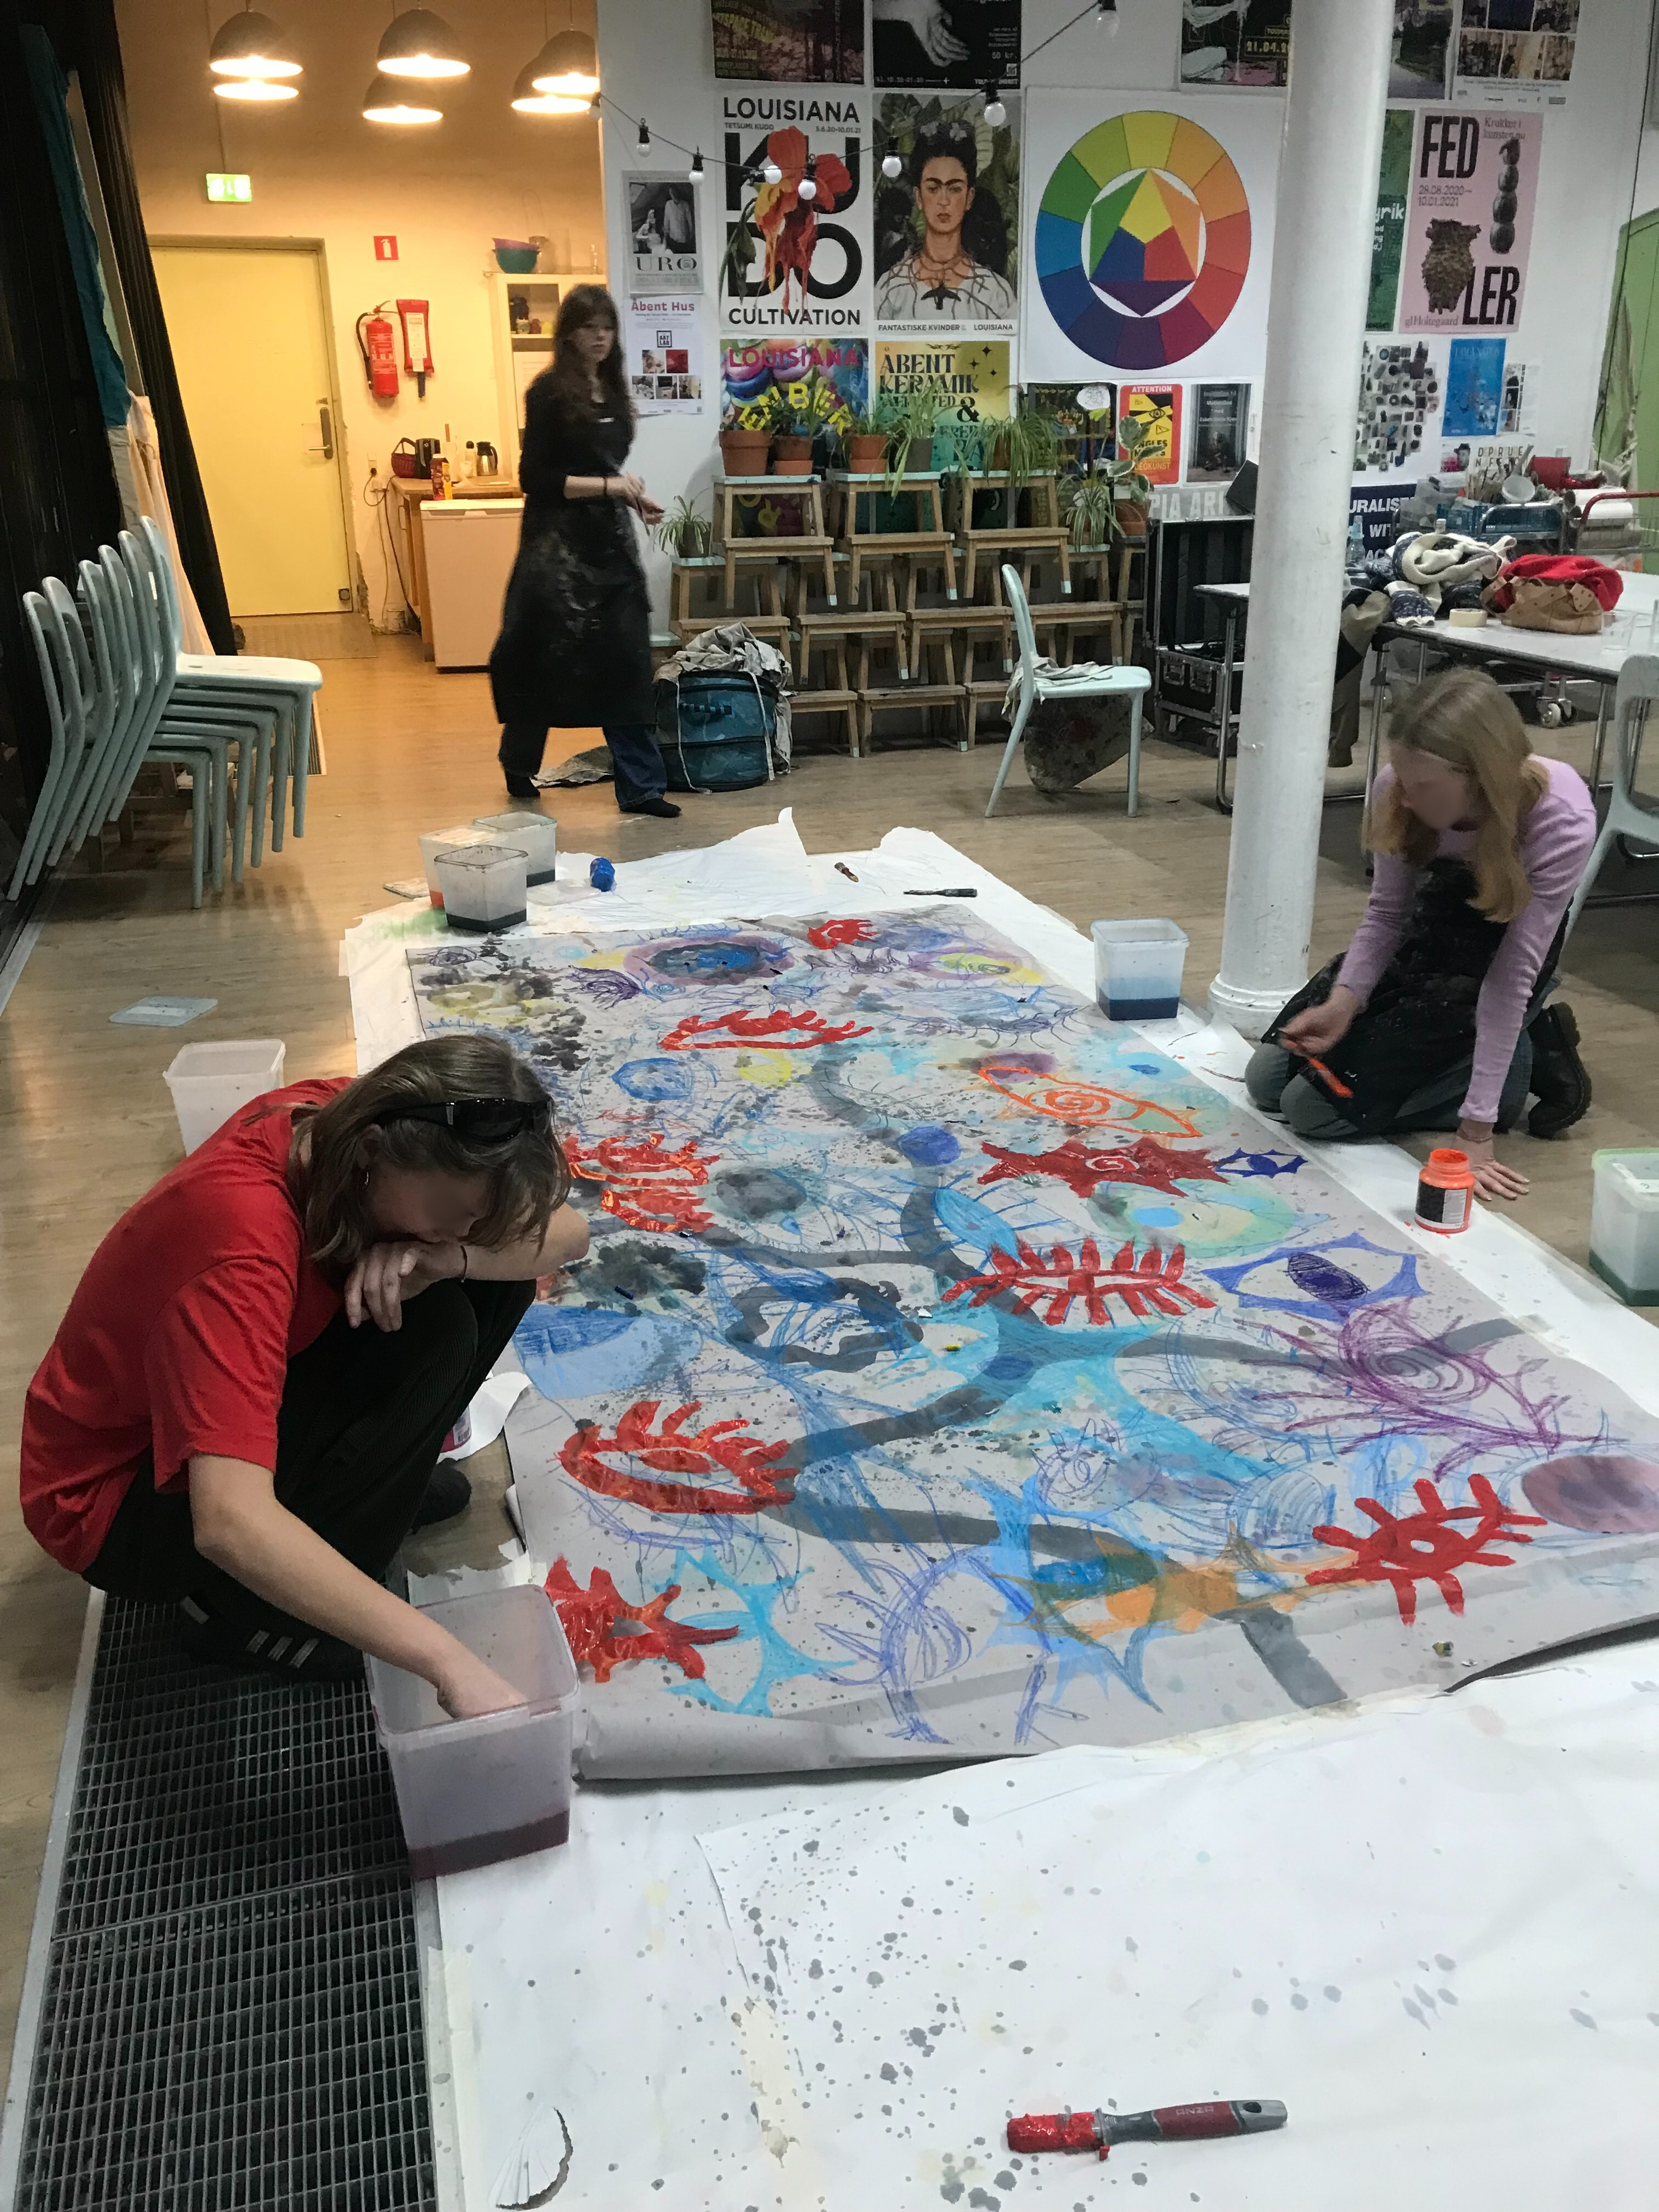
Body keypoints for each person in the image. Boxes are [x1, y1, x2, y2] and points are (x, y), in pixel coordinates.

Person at [21, 1037, 590, 1711]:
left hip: (200, 1411)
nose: (455, 1233)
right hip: (115, 1505)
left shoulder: (357, 1123)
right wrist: (446, 1661)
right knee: (438, 1331)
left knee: (490, 1279)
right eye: (449, 1215)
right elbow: (228, 1522)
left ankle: (373, 1498)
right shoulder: (242, 1250)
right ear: (374, 1155)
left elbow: (570, 1233)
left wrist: (451, 1256)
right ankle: (237, 1619)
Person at [1246, 667, 1595, 1199]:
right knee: (1268, 1081)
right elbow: (1387, 915)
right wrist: (1345, 1001)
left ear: (1479, 777)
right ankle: (1499, 1054)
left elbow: (1510, 977)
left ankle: (1512, 1075)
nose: (1404, 799)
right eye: (1401, 780)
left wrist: (1475, 1131)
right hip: (1424, 941)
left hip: (1494, 962)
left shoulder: (1561, 820)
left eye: (1423, 788)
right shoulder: (1402, 786)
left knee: (1310, 1110)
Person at [489, 284, 679, 817]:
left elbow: (605, 469)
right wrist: (612, 487)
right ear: (569, 334)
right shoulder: (548, 392)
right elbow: (535, 479)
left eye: (608, 328)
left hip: (609, 544)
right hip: (556, 550)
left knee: (627, 662)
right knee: (545, 658)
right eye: (590, 327)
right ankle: (519, 762)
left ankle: (642, 788)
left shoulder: (614, 392)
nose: (601, 337)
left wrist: (632, 497)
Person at [874, 125, 1016, 325]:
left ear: (969, 198)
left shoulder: (996, 294)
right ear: (919, 197)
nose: (944, 201)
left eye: (955, 189)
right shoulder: (890, 289)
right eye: (933, 188)